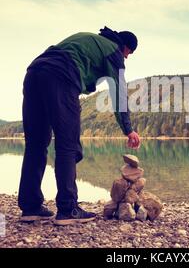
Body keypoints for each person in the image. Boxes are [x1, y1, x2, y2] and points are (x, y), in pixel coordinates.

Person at [18, 26, 141, 225]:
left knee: (35, 144)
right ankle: (68, 209)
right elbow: (118, 92)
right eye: (128, 54)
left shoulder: (90, 40)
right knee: (68, 145)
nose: (126, 59)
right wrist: (128, 129)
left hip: (34, 73)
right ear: (125, 48)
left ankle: (30, 207)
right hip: (61, 76)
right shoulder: (113, 51)